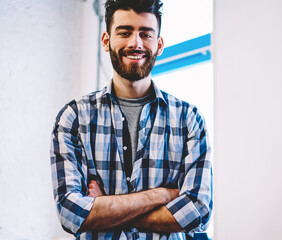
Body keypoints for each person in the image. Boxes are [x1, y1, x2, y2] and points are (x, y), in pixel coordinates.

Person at [50, 0, 213, 239]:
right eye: (125, 32)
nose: (135, 43)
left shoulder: (189, 120)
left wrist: (105, 206)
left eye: (145, 34)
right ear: (106, 40)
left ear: (159, 44)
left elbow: (197, 212)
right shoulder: (74, 118)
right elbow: (70, 213)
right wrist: (163, 196)